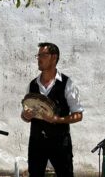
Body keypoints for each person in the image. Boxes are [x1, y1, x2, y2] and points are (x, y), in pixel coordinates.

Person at [21, 42, 84, 177]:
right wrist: (26, 116)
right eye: (38, 55)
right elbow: (24, 116)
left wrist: (57, 119)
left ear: (54, 57)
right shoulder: (32, 85)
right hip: (37, 142)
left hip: (60, 142)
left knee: (65, 174)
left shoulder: (67, 84)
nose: (39, 58)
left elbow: (78, 115)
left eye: (43, 55)